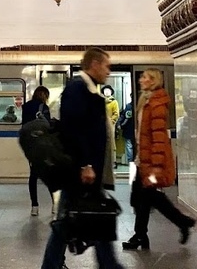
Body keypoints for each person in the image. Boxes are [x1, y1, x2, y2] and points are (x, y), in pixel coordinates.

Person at [40, 48, 124, 269]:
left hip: (88, 172)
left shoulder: (88, 89)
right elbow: (74, 130)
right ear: (94, 65)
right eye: (106, 65)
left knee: (83, 219)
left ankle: (107, 264)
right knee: (69, 223)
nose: (108, 70)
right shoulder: (77, 89)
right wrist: (85, 165)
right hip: (82, 172)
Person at [122, 69, 195, 251]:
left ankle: (178, 223)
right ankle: (143, 235)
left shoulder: (157, 104)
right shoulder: (145, 101)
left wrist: (155, 166)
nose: (141, 80)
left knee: (148, 197)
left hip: (150, 163)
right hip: (143, 160)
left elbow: (158, 137)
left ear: (154, 81)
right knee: (142, 198)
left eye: (145, 77)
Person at [22, 86, 55, 217]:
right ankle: (55, 206)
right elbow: (48, 128)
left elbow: (24, 127)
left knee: (33, 176)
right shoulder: (43, 108)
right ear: (45, 95)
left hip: (31, 146)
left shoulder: (26, 107)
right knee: (51, 176)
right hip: (44, 146)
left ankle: (34, 206)